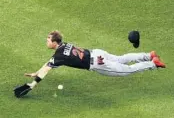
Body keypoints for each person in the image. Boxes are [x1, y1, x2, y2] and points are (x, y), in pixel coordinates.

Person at [14, 31, 166, 98]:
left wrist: (32, 84)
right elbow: (48, 64)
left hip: (97, 63)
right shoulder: (64, 46)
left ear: (55, 42)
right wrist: (36, 71)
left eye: (48, 39)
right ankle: (148, 55)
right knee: (121, 59)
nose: (46, 41)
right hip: (97, 53)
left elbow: (47, 68)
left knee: (126, 70)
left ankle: (153, 63)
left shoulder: (59, 56)